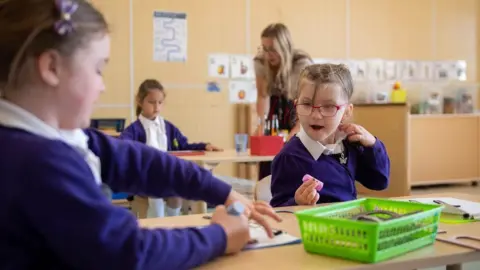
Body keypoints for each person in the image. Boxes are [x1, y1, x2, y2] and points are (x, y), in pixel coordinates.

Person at [0, 1, 281, 269]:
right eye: (98, 69)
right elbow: (127, 252)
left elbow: (140, 162)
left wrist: (223, 192)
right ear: (51, 67)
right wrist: (220, 236)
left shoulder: (53, 138)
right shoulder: (39, 162)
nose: (102, 86)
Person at [270, 64, 390, 207]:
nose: (315, 115)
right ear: (296, 106)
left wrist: (373, 145)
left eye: (328, 107)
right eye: (307, 104)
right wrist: (296, 202)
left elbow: (379, 181)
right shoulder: (288, 158)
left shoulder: (349, 144)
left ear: (346, 112)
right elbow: (279, 211)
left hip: (348, 225)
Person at [120, 78, 222, 218]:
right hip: (145, 177)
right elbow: (123, 146)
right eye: (151, 102)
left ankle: (172, 222)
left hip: (166, 173)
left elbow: (184, 146)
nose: (156, 107)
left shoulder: (168, 127)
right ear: (140, 101)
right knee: (155, 190)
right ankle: (158, 221)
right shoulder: (134, 130)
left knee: (177, 190)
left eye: (160, 103)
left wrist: (204, 146)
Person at [253, 23, 313, 180]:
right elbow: (262, 96)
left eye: (272, 49)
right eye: (264, 49)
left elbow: (306, 102)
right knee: (269, 165)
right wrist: (261, 127)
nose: (268, 55)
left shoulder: (301, 63)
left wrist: (296, 130)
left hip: (297, 109)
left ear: (284, 47)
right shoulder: (260, 62)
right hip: (275, 109)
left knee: (293, 159)